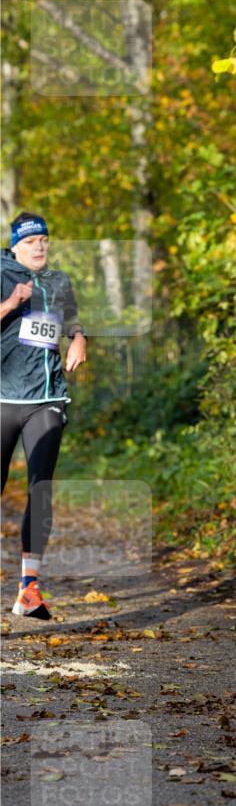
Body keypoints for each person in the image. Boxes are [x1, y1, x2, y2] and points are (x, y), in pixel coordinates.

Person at [1, 212, 87, 619]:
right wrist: (11, 303)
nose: (39, 246)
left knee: (40, 487)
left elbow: (70, 317)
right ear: (14, 245)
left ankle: (29, 588)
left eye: (45, 240)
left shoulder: (58, 281)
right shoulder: (2, 274)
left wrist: (79, 338)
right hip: (3, 399)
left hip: (48, 398)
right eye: (31, 241)